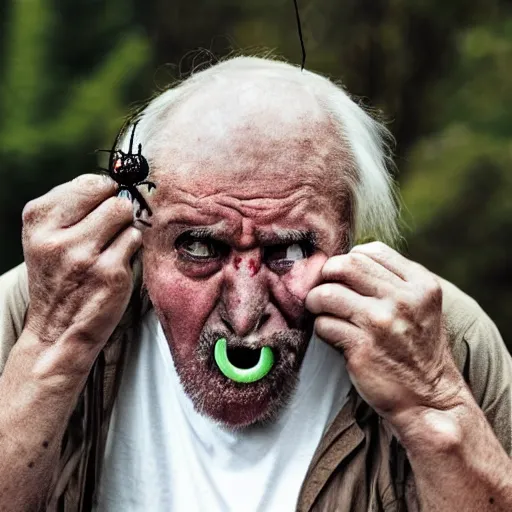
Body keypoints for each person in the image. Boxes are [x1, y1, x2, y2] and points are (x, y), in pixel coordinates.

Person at [1, 56, 511, 512]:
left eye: (288, 250)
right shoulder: (45, 302)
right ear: (139, 231)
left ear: (349, 238)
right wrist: (53, 345)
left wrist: (434, 405)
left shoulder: (439, 337)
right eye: (199, 247)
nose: (245, 313)